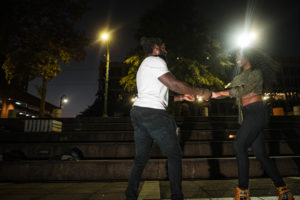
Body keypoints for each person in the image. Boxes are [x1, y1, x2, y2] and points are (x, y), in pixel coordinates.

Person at [125, 37, 211, 200]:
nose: (166, 51)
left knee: (141, 158)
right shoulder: (156, 61)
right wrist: (199, 92)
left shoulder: (145, 65)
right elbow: (174, 84)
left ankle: (130, 195)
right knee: (174, 155)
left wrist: (180, 98)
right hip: (154, 114)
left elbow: (157, 94)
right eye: (164, 47)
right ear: (156, 48)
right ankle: (177, 196)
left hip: (139, 112)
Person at [211, 48, 294, 200]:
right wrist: (209, 94)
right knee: (261, 155)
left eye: (238, 55)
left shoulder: (256, 73)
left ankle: (243, 192)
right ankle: (284, 191)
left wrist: (221, 93)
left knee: (239, 144)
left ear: (248, 56)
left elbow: (243, 90)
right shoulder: (239, 76)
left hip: (257, 112)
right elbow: (230, 91)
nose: (236, 58)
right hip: (248, 115)